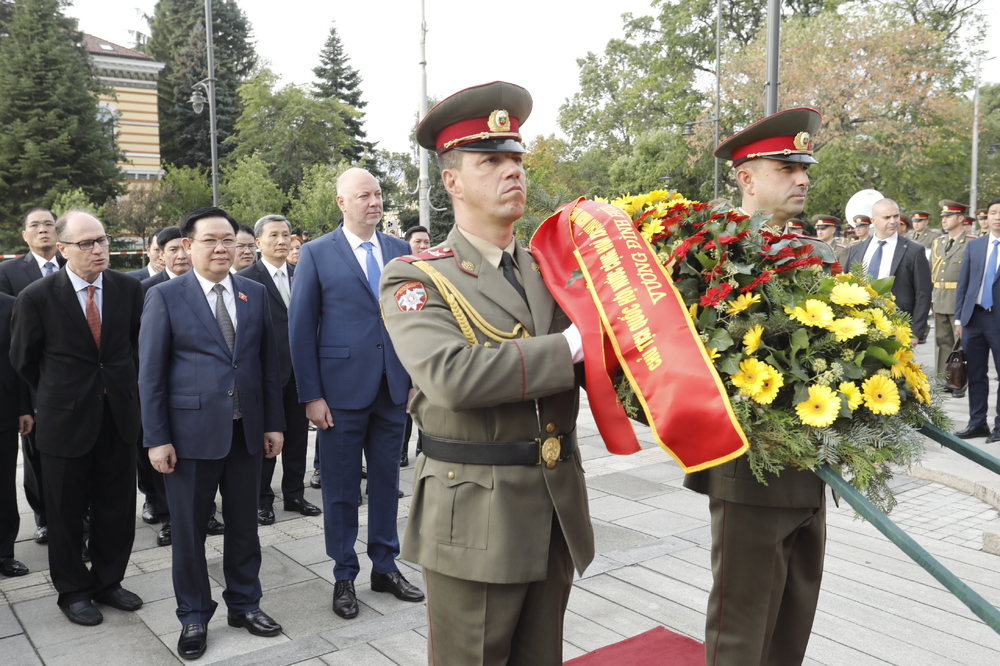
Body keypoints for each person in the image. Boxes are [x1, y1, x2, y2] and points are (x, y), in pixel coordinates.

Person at [381, 81, 594, 666]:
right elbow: (451, 375)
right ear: (451, 181)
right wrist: (574, 345)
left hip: (553, 505)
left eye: (517, 159)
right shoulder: (416, 276)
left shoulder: (550, 269)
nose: (513, 172)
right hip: (473, 513)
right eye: (491, 161)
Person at [688, 107, 827, 666]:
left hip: (811, 468)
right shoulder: (712, 257)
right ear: (745, 178)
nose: (803, 178)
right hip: (749, 470)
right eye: (787, 167)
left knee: (792, 626)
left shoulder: (811, 255)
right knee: (742, 633)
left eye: (805, 167)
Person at [139, 207, 285, 660]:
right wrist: (156, 437)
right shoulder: (166, 297)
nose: (221, 248)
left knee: (245, 528)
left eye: (228, 239)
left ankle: (245, 604)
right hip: (188, 439)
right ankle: (194, 616)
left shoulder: (254, 294)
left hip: (246, 434)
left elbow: (267, 366)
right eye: (209, 240)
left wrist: (274, 424)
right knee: (188, 533)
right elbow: (151, 375)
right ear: (187, 246)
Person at [288, 168, 423, 621]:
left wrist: (413, 379)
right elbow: (301, 328)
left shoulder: (400, 251)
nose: (374, 202)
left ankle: (385, 567)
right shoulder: (316, 253)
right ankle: (344, 574)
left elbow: (414, 320)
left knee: (387, 482)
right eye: (363, 195)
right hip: (339, 394)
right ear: (342, 202)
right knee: (342, 489)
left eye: (378, 194)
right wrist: (311, 394)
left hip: (391, 389)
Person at [11, 210, 144, 626]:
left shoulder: (128, 288)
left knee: (117, 509)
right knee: (65, 513)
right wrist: (62, 392)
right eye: (87, 243)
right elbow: (24, 360)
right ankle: (73, 591)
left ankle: (108, 582)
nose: (98, 249)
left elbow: (136, 347)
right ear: (63, 248)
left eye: (102, 240)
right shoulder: (37, 296)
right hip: (64, 421)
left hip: (118, 417)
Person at [238, 214, 320, 524]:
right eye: (273, 235)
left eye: (286, 235)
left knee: (299, 437)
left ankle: (295, 494)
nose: (282, 241)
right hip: (265, 374)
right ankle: (262, 499)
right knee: (268, 438)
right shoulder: (246, 279)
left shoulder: (303, 274)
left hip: (301, 372)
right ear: (258, 243)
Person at [0, 206, 62, 544]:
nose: (43, 230)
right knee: (36, 455)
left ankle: (80, 514)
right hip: (31, 380)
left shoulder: (75, 263)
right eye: (35, 225)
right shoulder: (9, 272)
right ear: (23, 234)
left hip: (73, 379)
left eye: (49, 224)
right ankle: (44, 517)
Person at [845, 198, 931, 345]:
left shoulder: (914, 251)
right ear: (873, 220)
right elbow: (846, 286)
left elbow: (923, 293)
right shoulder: (856, 250)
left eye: (896, 216)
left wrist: (915, 332)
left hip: (897, 327)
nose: (893, 221)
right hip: (859, 325)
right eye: (887, 217)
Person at [953, 197, 1000, 442]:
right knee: (976, 373)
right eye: (993, 212)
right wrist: (959, 319)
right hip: (974, 319)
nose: (997, 216)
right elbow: (963, 283)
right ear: (987, 217)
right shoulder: (975, 246)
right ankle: (977, 422)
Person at [0, 291, 32, 578]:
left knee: (3, 485)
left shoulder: (10, 305)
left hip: (4, 409)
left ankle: (4, 553)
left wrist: (24, 408)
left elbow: (19, 361)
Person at [399, 225, 433, 466]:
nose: (422, 246)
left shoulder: (434, 271)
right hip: (403, 350)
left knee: (428, 398)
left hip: (429, 348)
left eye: (426, 242)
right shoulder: (397, 272)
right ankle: (400, 451)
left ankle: (425, 446)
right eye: (418, 241)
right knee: (405, 403)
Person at [931, 200, 973, 387]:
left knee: (961, 343)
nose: (944, 220)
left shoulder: (971, 243)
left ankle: (960, 381)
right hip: (940, 298)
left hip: (959, 299)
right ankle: (943, 379)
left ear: (961, 218)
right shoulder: (938, 242)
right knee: (942, 342)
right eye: (943, 217)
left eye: (949, 216)